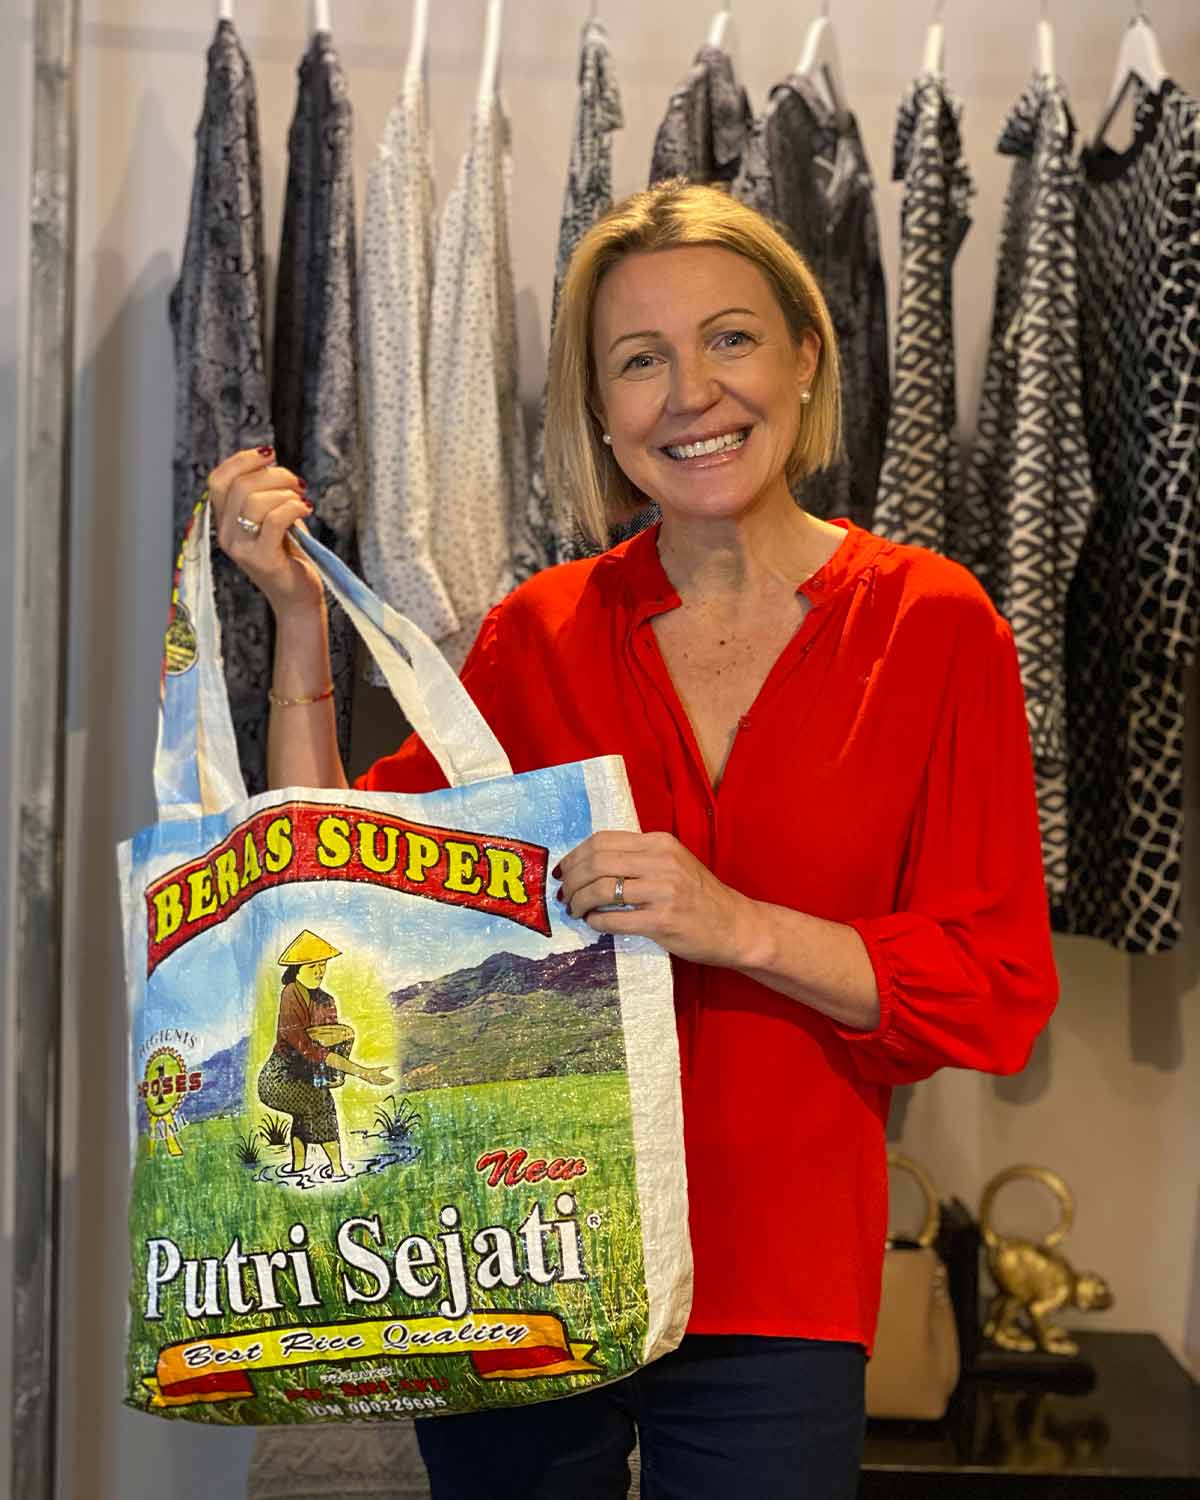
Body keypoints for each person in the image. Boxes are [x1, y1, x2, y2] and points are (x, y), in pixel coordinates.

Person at [208, 181, 1058, 1499]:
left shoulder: (935, 630)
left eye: (730, 339)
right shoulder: (534, 634)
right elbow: (335, 880)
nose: (692, 394)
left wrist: (737, 925)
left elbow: (991, 987)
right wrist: (301, 628)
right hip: (517, 1248)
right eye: (639, 360)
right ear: (601, 413)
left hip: (780, 1282)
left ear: (804, 358)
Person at [256, 928, 393, 1180]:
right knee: (320, 1104)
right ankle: (338, 1170)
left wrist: (334, 1068)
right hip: (278, 1076)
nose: (319, 971)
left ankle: (298, 1170)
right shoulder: (290, 995)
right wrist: (362, 1072)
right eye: (312, 967)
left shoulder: (326, 1000)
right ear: (297, 970)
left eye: (322, 966)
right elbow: (307, 1047)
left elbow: (327, 1042)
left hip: (307, 1071)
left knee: (307, 1108)